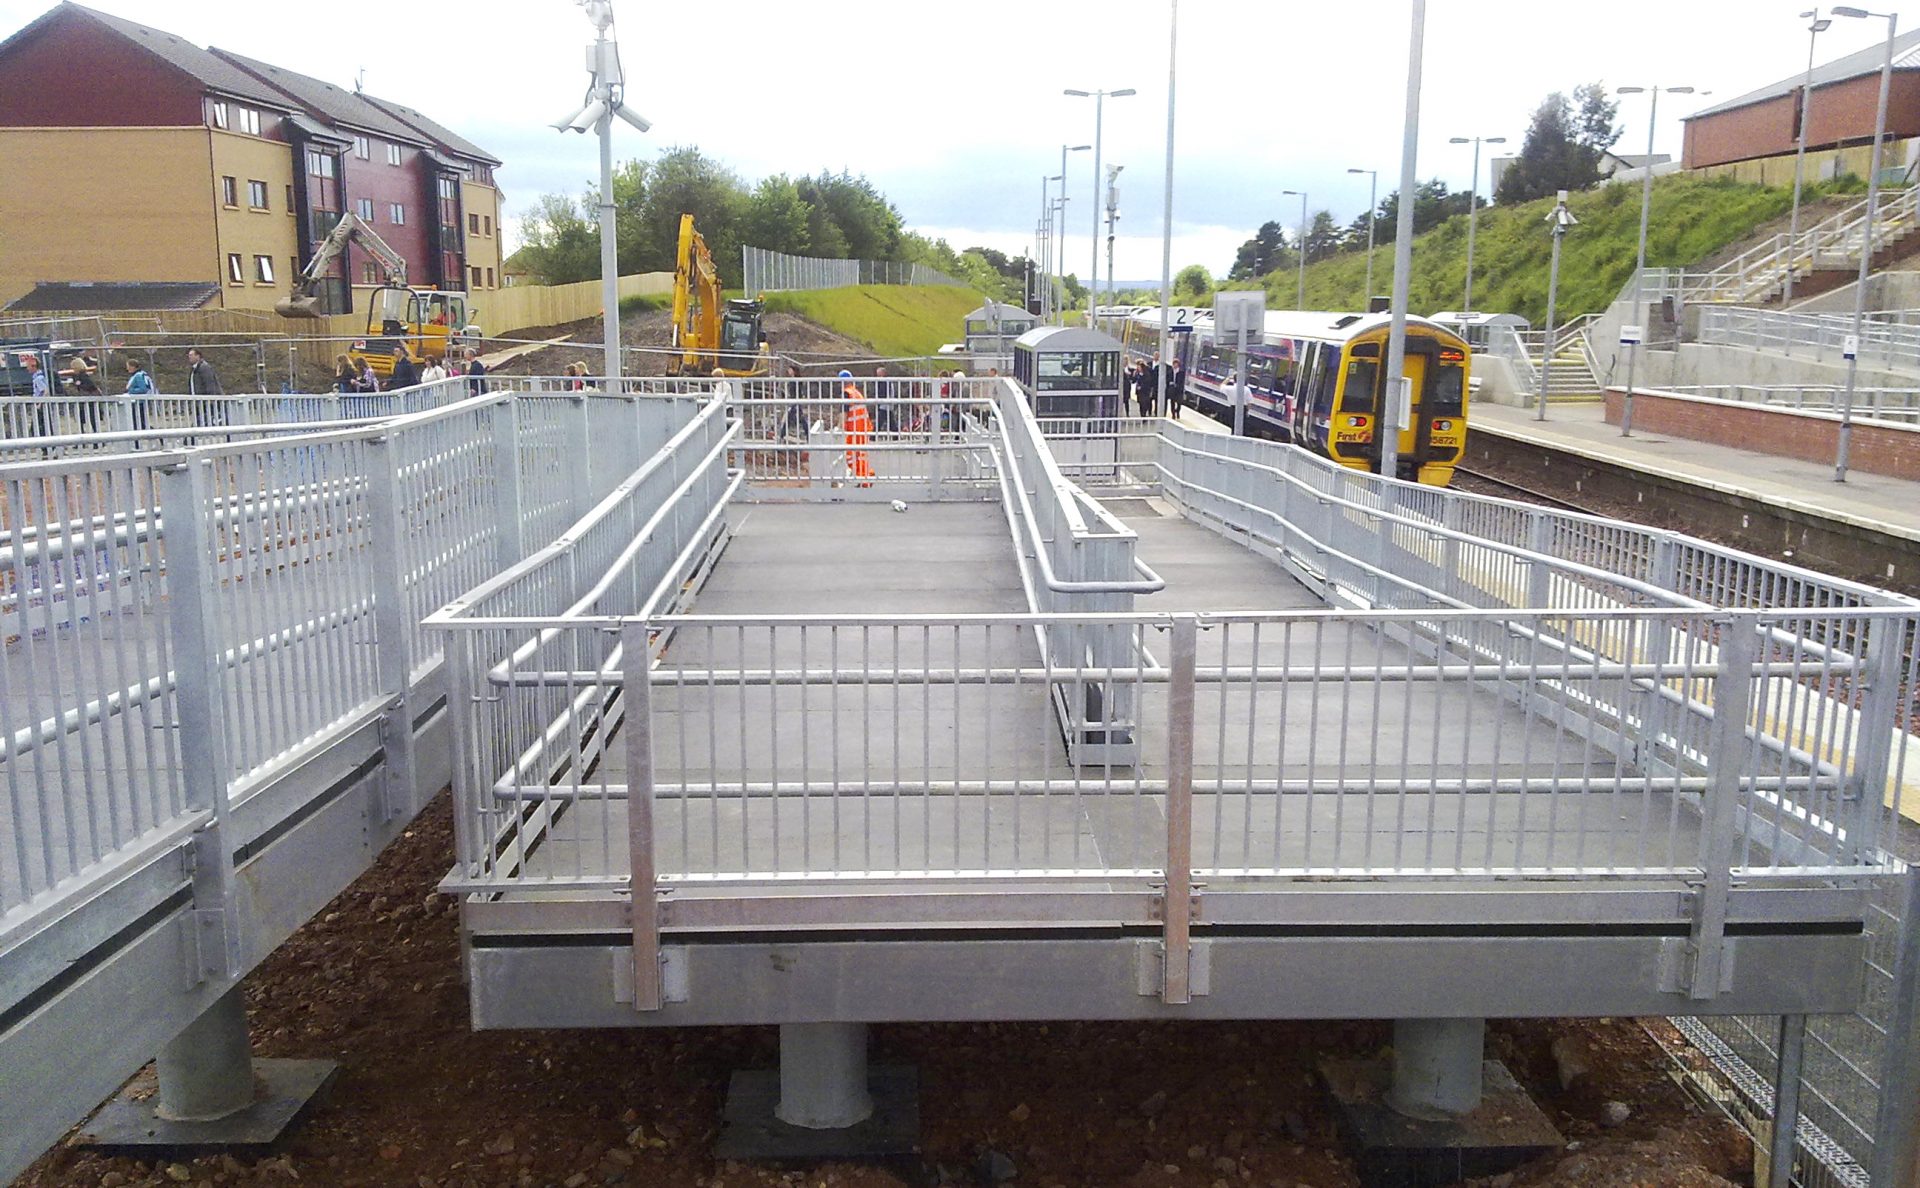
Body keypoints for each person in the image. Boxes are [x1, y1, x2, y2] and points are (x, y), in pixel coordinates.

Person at [839, 368, 872, 488]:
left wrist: (840, 427)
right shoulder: (857, 393)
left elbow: (844, 412)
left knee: (851, 456)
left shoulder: (846, 393)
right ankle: (866, 476)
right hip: (862, 428)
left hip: (853, 429)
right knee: (860, 455)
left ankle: (863, 478)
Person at [186, 347, 223, 426]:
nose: (189, 357)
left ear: (198, 356)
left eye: (191, 355)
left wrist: (210, 400)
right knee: (199, 421)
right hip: (198, 401)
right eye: (189, 355)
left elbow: (210, 384)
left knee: (202, 421)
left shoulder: (204, 367)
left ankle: (191, 437)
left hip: (205, 402)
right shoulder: (194, 369)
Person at [123, 356, 153, 432]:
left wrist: (130, 391)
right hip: (139, 402)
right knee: (140, 422)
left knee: (139, 423)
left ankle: (156, 435)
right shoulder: (141, 374)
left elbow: (143, 389)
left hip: (139, 402)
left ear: (133, 367)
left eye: (128, 367)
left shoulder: (138, 376)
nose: (127, 369)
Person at [1169, 355, 1187, 422]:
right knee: (1172, 402)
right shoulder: (1170, 371)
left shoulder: (1181, 372)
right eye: (1174, 364)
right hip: (1172, 389)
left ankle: (1178, 411)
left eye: (1176, 364)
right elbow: (1168, 378)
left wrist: (1179, 386)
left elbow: (1182, 381)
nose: (1175, 365)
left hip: (1179, 389)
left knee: (1179, 402)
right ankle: (1173, 414)